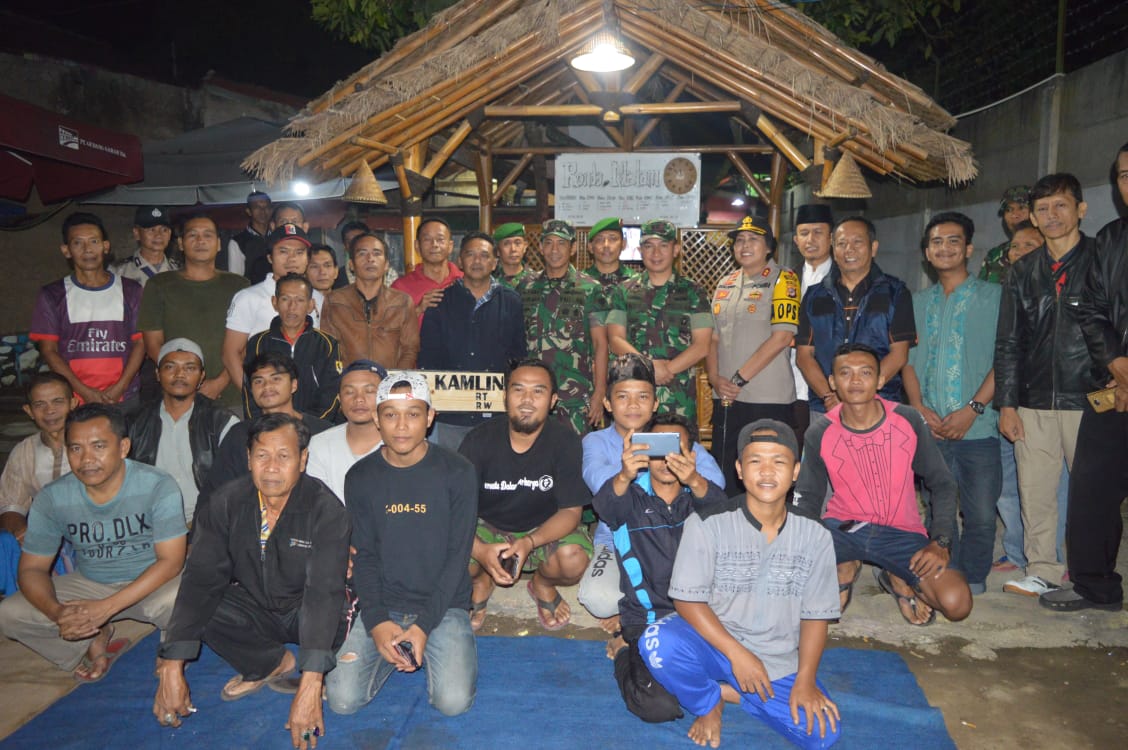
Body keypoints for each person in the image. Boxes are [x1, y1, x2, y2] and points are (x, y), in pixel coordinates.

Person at [153, 414, 350, 750]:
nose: (271, 467)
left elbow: (323, 593)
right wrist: (172, 664)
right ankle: (271, 662)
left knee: (338, 627)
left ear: (303, 459)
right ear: (248, 458)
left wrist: (311, 682)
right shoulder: (225, 502)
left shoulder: (325, 509)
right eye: (262, 456)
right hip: (257, 602)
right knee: (198, 606)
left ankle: (311, 665)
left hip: (311, 608)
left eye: (284, 456)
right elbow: (200, 579)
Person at [641, 420, 841, 749]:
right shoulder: (707, 523)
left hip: (776, 656)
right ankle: (708, 702)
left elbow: (815, 616)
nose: (766, 471)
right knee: (657, 643)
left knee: (822, 734)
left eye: (779, 461)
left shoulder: (815, 535)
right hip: (715, 642)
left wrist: (805, 681)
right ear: (739, 469)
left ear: (796, 471)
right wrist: (738, 654)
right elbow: (687, 601)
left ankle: (729, 693)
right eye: (755, 461)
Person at [326, 372, 477, 717]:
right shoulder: (361, 477)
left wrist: (423, 626)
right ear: (377, 419)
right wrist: (377, 622)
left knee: (452, 703)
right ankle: (392, 646)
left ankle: (428, 642)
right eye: (391, 414)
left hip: (444, 606)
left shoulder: (458, 472)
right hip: (385, 602)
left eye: (413, 414)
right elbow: (364, 556)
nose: (402, 426)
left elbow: (458, 557)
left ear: (430, 417)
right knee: (342, 700)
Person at [0, 404, 186, 682]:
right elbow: (31, 569)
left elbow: (171, 563)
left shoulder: (157, 485)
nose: (86, 459)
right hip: (91, 583)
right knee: (10, 613)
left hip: (153, 583)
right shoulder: (53, 497)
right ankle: (89, 639)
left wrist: (107, 608)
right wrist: (59, 613)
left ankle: (171, 649)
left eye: (99, 446)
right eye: (76, 448)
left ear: (123, 447)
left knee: (187, 596)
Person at [795, 344, 972, 627]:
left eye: (865, 373)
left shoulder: (907, 419)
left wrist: (940, 541)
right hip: (843, 529)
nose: (855, 380)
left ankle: (895, 576)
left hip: (901, 533)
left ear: (880, 380)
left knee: (956, 603)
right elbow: (807, 497)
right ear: (832, 382)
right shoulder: (820, 431)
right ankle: (846, 567)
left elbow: (942, 482)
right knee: (791, 591)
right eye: (845, 373)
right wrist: (802, 548)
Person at [994, 173, 1097, 598]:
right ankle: (1043, 570)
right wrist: (1007, 404)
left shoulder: (1102, 260)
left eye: (1060, 205)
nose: (1052, 215)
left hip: (1091, 398)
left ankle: (1092, 576)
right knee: (1035, 491)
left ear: (1080, 210)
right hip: (1032, 401)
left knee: (1094, 494)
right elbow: (1009, 342)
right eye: (1043, 209)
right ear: (1033, 218)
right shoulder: (1022, 271)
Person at [593, 412, 726, 723]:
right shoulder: (630, 497)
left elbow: (726, 515)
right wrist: (624, 474)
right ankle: (624, 649)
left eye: (676, 449)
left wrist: (694, 480)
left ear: (692, 455)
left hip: (701, 617)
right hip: (648, 619)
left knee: (756, 669)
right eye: (658, 448)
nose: (667, 460)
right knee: (657, 707)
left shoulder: (699, 497)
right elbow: (605, 506)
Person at [1041, 142, 1128, 613]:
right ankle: (1095, 586)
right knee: (1092, 489)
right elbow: (1092, 308)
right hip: (1115, 387)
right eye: (1124, 175)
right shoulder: (1112, 239)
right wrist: (1115, 362)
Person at [579, 354, 725, 630]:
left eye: (643, 397)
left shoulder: (670, 435)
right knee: (598, 598)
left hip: (674, 539)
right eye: (623, 397)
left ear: (655, 403)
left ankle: (641, 611)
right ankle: (635, 607)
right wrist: (630, 469)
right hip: (616, 540)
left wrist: (684, 470)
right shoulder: (595, 441)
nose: (633, 405)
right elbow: (599, 485)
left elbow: (716, 481)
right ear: (608, 404)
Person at [902, 212, 1001, 595]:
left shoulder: (994, 297)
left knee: (981, 513)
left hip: (979, 426)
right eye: (936, 242)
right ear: (927, 252)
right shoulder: (916, 301)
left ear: (969, 249)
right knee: (937, 509)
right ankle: (949, 575)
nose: (944, 248)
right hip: (931, 427)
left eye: (953, 241)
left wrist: (972, 410)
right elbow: (908, 362)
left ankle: (973, 578)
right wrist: (918, 409)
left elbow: (1005, 358)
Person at [460, 360, 593, 631]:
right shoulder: (478, 440)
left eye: (538, 391)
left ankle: (542, 584)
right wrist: (481, 551)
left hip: (542, 529)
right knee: (453, 560)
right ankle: (481, 580)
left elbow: (571, 511)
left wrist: (530, 542)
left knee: (573, 560)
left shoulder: (566, 441)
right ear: (505, 396)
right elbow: (453, 512)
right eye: (518, 390)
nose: (527, 400)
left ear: (553, 401)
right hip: (488, 527)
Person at [706, 215, 799, 491]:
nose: (744, 245)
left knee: (768, 473)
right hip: (726, 397)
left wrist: (737, 379)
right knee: (726, 471)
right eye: (739, 240)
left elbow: (782, 337)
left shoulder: (784, 279)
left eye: (753, 239)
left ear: (769, 247)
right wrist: (714, 378)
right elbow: (712, 338)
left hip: (767, 398)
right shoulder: (725, 283)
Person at [795, 216, 915, 416]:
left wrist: (856, 396)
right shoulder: (814, 295)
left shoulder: (896, 292)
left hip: (880, 406)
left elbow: (899, 354)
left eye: (857, 242)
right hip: (825, 408)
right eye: (841, 244)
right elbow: (804, 356)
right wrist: (830, 397)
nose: (849, 249)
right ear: (834, 250)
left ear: (873, 247)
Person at [981, 218, 1048, 574]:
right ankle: (1016, 551)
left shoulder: (1054, 292)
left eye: (1029, 246)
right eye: (1015, 246)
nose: (1019, 252)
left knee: (1046, 487)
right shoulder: (1001, 291)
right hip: (1005, 399)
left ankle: (1049, 557)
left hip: (1043, 402)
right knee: (1007, 482)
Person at [420, 231, 526, 450]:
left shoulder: (512, 302)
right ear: (460, 261)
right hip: (449, 415)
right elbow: (427, 359)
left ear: (495, 263)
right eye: (470, 254)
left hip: (496, 414)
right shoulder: (439, 302)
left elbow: (518, 357)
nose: (477, 261)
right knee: (450, 469)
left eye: (484, 255)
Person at [31, 212, 146, 407]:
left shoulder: (131, 290)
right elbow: (49, 351)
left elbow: (141, 343)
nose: (87, 249)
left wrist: (120, 388)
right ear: (66, 250)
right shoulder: (52, 295)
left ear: (106, 246)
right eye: (78, 243)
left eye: (94, 241)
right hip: (76, 399)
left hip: (124, 397)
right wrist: (84, 392)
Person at [137, 213, 250, 409]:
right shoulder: (159, 285)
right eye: (192, 235)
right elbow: (154, 344)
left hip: (232, 394)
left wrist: (219, 383)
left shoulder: (239, 285)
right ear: (180, 243)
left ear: (219, 244)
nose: (200, 241)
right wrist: (187, 382)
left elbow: (246, 343)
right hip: (179, 395)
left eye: (207, 235)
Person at [607, 219, 712, 422]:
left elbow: (702, 346)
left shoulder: (694, 292)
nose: (656, 253)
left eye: (663, 245)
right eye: (649, 246)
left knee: (678, 442)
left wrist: (667, 370)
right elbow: (615, 339)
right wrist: (649, 368)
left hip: (679, 395)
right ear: (640, 251)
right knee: (632, 442)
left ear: (676, 250)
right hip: (633, 394)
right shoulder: (623, 291)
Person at [127, 339, 239, 526]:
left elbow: (235, 485)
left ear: (202, 376)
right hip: (150, 522)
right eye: (170, 367)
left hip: (208, 523)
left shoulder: (222, 421)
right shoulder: (134, 422)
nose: (179, 374)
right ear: (157, 374)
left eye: (190, 368)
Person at [516, 219, 608, 434]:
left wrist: (599, 393)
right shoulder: (525, 287)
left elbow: (600, 344)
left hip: (575, 397)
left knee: (575, 453)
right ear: (540, 247)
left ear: (573, 248)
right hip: (532, 396)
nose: (554, 250)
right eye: (548, 243)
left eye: (562, 243)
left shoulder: (590, 289)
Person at [203, 352, 333, 496]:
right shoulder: (239, 434)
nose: (267, 386)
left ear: (294, 385)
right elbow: (214, 490)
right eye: (258, 381)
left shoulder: (324, 433)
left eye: (276, 379)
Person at [223, 223, 324, 395]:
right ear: (270, 257)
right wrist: (253, 397)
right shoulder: (248, 297)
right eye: (283, 252)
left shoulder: (318, 298)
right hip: (266, 396)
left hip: (308, 398)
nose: (292, 259)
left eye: (299, 252)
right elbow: (230, 354)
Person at [0, 373, 76, 595]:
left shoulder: (92, 443)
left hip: (88, 531)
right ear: (29, 411)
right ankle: (21, 601)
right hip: (44, 533)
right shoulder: (23, 451)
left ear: (73, 403)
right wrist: (21, 531)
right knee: (6, 541)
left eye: (58, 401)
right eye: (40, 404)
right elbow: (11, 505)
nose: (49, 411)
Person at [243, 273, 342, 421]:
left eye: (300, 300)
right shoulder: (258, 343)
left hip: (316, 427)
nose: (292, 307)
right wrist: (264, 426)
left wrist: (310, 424)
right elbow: (250, 393)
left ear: (310, 305)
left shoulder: (327, 344)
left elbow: (331, 393)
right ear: (274, 302)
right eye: (285, 299)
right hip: (270, 427)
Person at [321, 231, 418, 371]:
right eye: (362, 253)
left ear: (386, 265)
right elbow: (328, 351)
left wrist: (395, 380)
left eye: (377, 253)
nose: (370, 259)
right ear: (351, 264)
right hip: (349, 381)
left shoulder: (402, 302)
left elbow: (410, 350)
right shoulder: (334, 301)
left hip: (391, 381)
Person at [306, 360, 387, 503]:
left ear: (385, 397)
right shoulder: (319, 445)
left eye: (369, 391)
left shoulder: (403, 444)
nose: (359, 399)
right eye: (349, 392)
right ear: (339, 399)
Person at [788, 204, 835, 448]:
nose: (811, 239)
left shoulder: (843, 279)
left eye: (818, 232)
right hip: (790, 387)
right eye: (804, 233)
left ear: (831, 237)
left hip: (827, 388)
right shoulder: (786, 279)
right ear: (796, 240)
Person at [391, 217, 463, 321]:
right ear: (417, 246)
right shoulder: (400, 288)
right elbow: (389, 328)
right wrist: (418, 309)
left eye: (440, 239)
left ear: (450, 246)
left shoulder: (464, 281)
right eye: (427, 239)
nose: (434, 245)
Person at [111, 206, 179, 287]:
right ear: (137, 233)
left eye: (164, 230)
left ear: (170, 234)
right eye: (152, 230)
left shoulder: (179, 270)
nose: (158, 235)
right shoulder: (119, 271)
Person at [978, 185, 1032, 284]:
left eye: (1022, 208)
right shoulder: (994, 256)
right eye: (1009, 210)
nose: (1015, 215)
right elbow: (982, 290)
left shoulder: (1048, 250)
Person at [223, 190, 271, 277]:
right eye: (257, 207)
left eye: (266, 207)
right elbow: (236, 278)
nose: (263, 211)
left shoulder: (278, 237)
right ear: (249, 211)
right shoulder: (238, 242)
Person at [340, 220, 398, 287]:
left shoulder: (389, 274)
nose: (355, 245)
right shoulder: (337, 277)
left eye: (376, 253)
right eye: (350, 242)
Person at [584, 217, 637, 285]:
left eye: (613, 239)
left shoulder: (637, 282)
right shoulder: (577, 282)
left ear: (623, 244)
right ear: (590, 247)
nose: (606, 245)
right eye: (600, 239)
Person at [492, 222, 529, 286]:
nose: (513, 249)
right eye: (506, 244)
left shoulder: (537, 281)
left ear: (525, 246)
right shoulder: (489, 280)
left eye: (517, 243)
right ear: (498, 250)